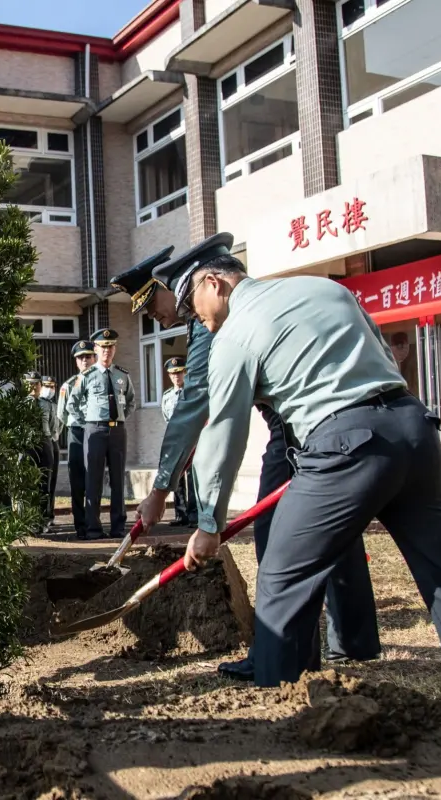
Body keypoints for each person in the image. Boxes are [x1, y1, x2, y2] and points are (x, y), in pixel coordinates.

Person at [168, 241, 441, 714]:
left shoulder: (234, 335)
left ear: (214, 283)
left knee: (282, 575)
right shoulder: (324, 289)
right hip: (413, 429)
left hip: (343, 445)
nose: (198, 320)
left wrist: (209, 523)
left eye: (193, 307)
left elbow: (225, 433)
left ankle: (285, 714)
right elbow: (381, 356)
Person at [116, 237, 379, 683]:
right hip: (341, 423)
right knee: (336, 527)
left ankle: (280, 656)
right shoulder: (262, 301)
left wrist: (165, 493)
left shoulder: (209, 326)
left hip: (295, 427)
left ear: (184, 285)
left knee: (275, 541)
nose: (155, 316)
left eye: (154, 304)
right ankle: (351, 641)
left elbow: (199, 412)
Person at [65, 329, 135, 540]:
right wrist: (88, 420)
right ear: (96, 349)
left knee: (117, 481)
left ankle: (118, 527)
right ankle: (93, 528)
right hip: (94, 429)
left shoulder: (122, 375)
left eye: (110, 347)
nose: (107, 351)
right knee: (92, 480)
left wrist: (120, 418)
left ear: (115, 349)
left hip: (117, 430)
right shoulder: (86, 376)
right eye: (103, 347)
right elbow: (72, 404)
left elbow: (131, 401)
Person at [57, 341, 94, 535]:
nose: (85, 360)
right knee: (77, 479)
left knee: (93, 479)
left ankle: (93, 524)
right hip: (77, 433)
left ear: (94, 358)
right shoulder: (69, 385)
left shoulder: (101, 381)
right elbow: (62, 413)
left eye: (88, 356)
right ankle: (80, 525)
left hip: (95, 432)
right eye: (81, 358)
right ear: (76, 362)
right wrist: (77, 424)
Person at [160, 356, 196, 527]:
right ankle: (180, 514)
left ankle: (194, 513)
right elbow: (166, 418)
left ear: (185, 373)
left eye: (179, 373)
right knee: (177, 478)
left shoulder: (192, 393)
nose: (176, 376)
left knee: (193, 477)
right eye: (173, 374)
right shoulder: (167, 397)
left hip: (192, 438)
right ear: (169, 375)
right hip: (175, 441)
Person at [25, 372, 57, 533]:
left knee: (45, 482)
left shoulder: (47, 404)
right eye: (30, 384)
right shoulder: (21, 404)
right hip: (28, 445)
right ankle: (28, 520)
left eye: (36, 384)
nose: (33, 387)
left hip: (45, 443)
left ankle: (43, 519)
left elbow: (52, 426)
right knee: (28, 483)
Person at [40, 376, 61, 519]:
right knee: (43, 481)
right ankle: (41, 514)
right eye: (47, 386)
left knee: (52, 481)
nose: (50, 390)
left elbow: (60, 423)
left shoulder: (55, 405)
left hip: (53, 442)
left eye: (52, 387)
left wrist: (56, 436)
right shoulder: (38, 403)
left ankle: (50, 513)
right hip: (42, 442)